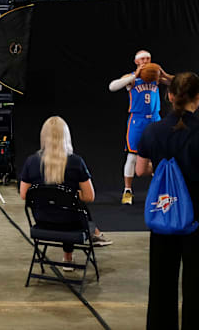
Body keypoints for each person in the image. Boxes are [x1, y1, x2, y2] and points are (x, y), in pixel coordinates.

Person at [136, 72, 199, 330]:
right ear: (198, 98)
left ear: (170, 96)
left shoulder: (153, 130)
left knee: (162, 282)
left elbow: (140, 170)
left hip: (164, 213)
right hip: (196, 217)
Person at [20, 116, 113, 270]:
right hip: (71, 224)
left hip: (42, 221)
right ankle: (67, 258)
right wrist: (72, 195)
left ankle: (69, 256)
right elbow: (90, 196)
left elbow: (24, 194)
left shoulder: (31, 161)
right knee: (72, 207)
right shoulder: (76, 162)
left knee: (63, 206)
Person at [109, 50, 173, 205]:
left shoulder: (155, 76)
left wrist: (164, 74)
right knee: (132, 156)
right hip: (137, 120)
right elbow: (112, 86)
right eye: (142, 58)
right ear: (136, 61)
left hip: (155, 119)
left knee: (159, 157)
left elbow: (178, 82)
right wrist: (135, 76)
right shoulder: (130, 79)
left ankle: (161, 192)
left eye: (148, 58)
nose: (146, 60)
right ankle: (127, 191)